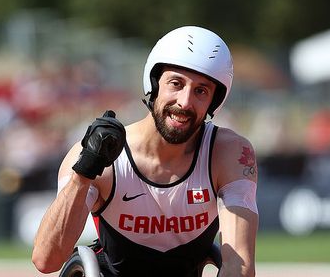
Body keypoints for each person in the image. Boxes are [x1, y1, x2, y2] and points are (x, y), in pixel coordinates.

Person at [32, 26, 259, 277]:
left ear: (213, 102)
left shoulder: (228, 153)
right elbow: (47, 259)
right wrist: (84, 172)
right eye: (176, 83)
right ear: (153, 84)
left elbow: (240, 266)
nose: (185, 102)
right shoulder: (104, 156)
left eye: (201, 91)